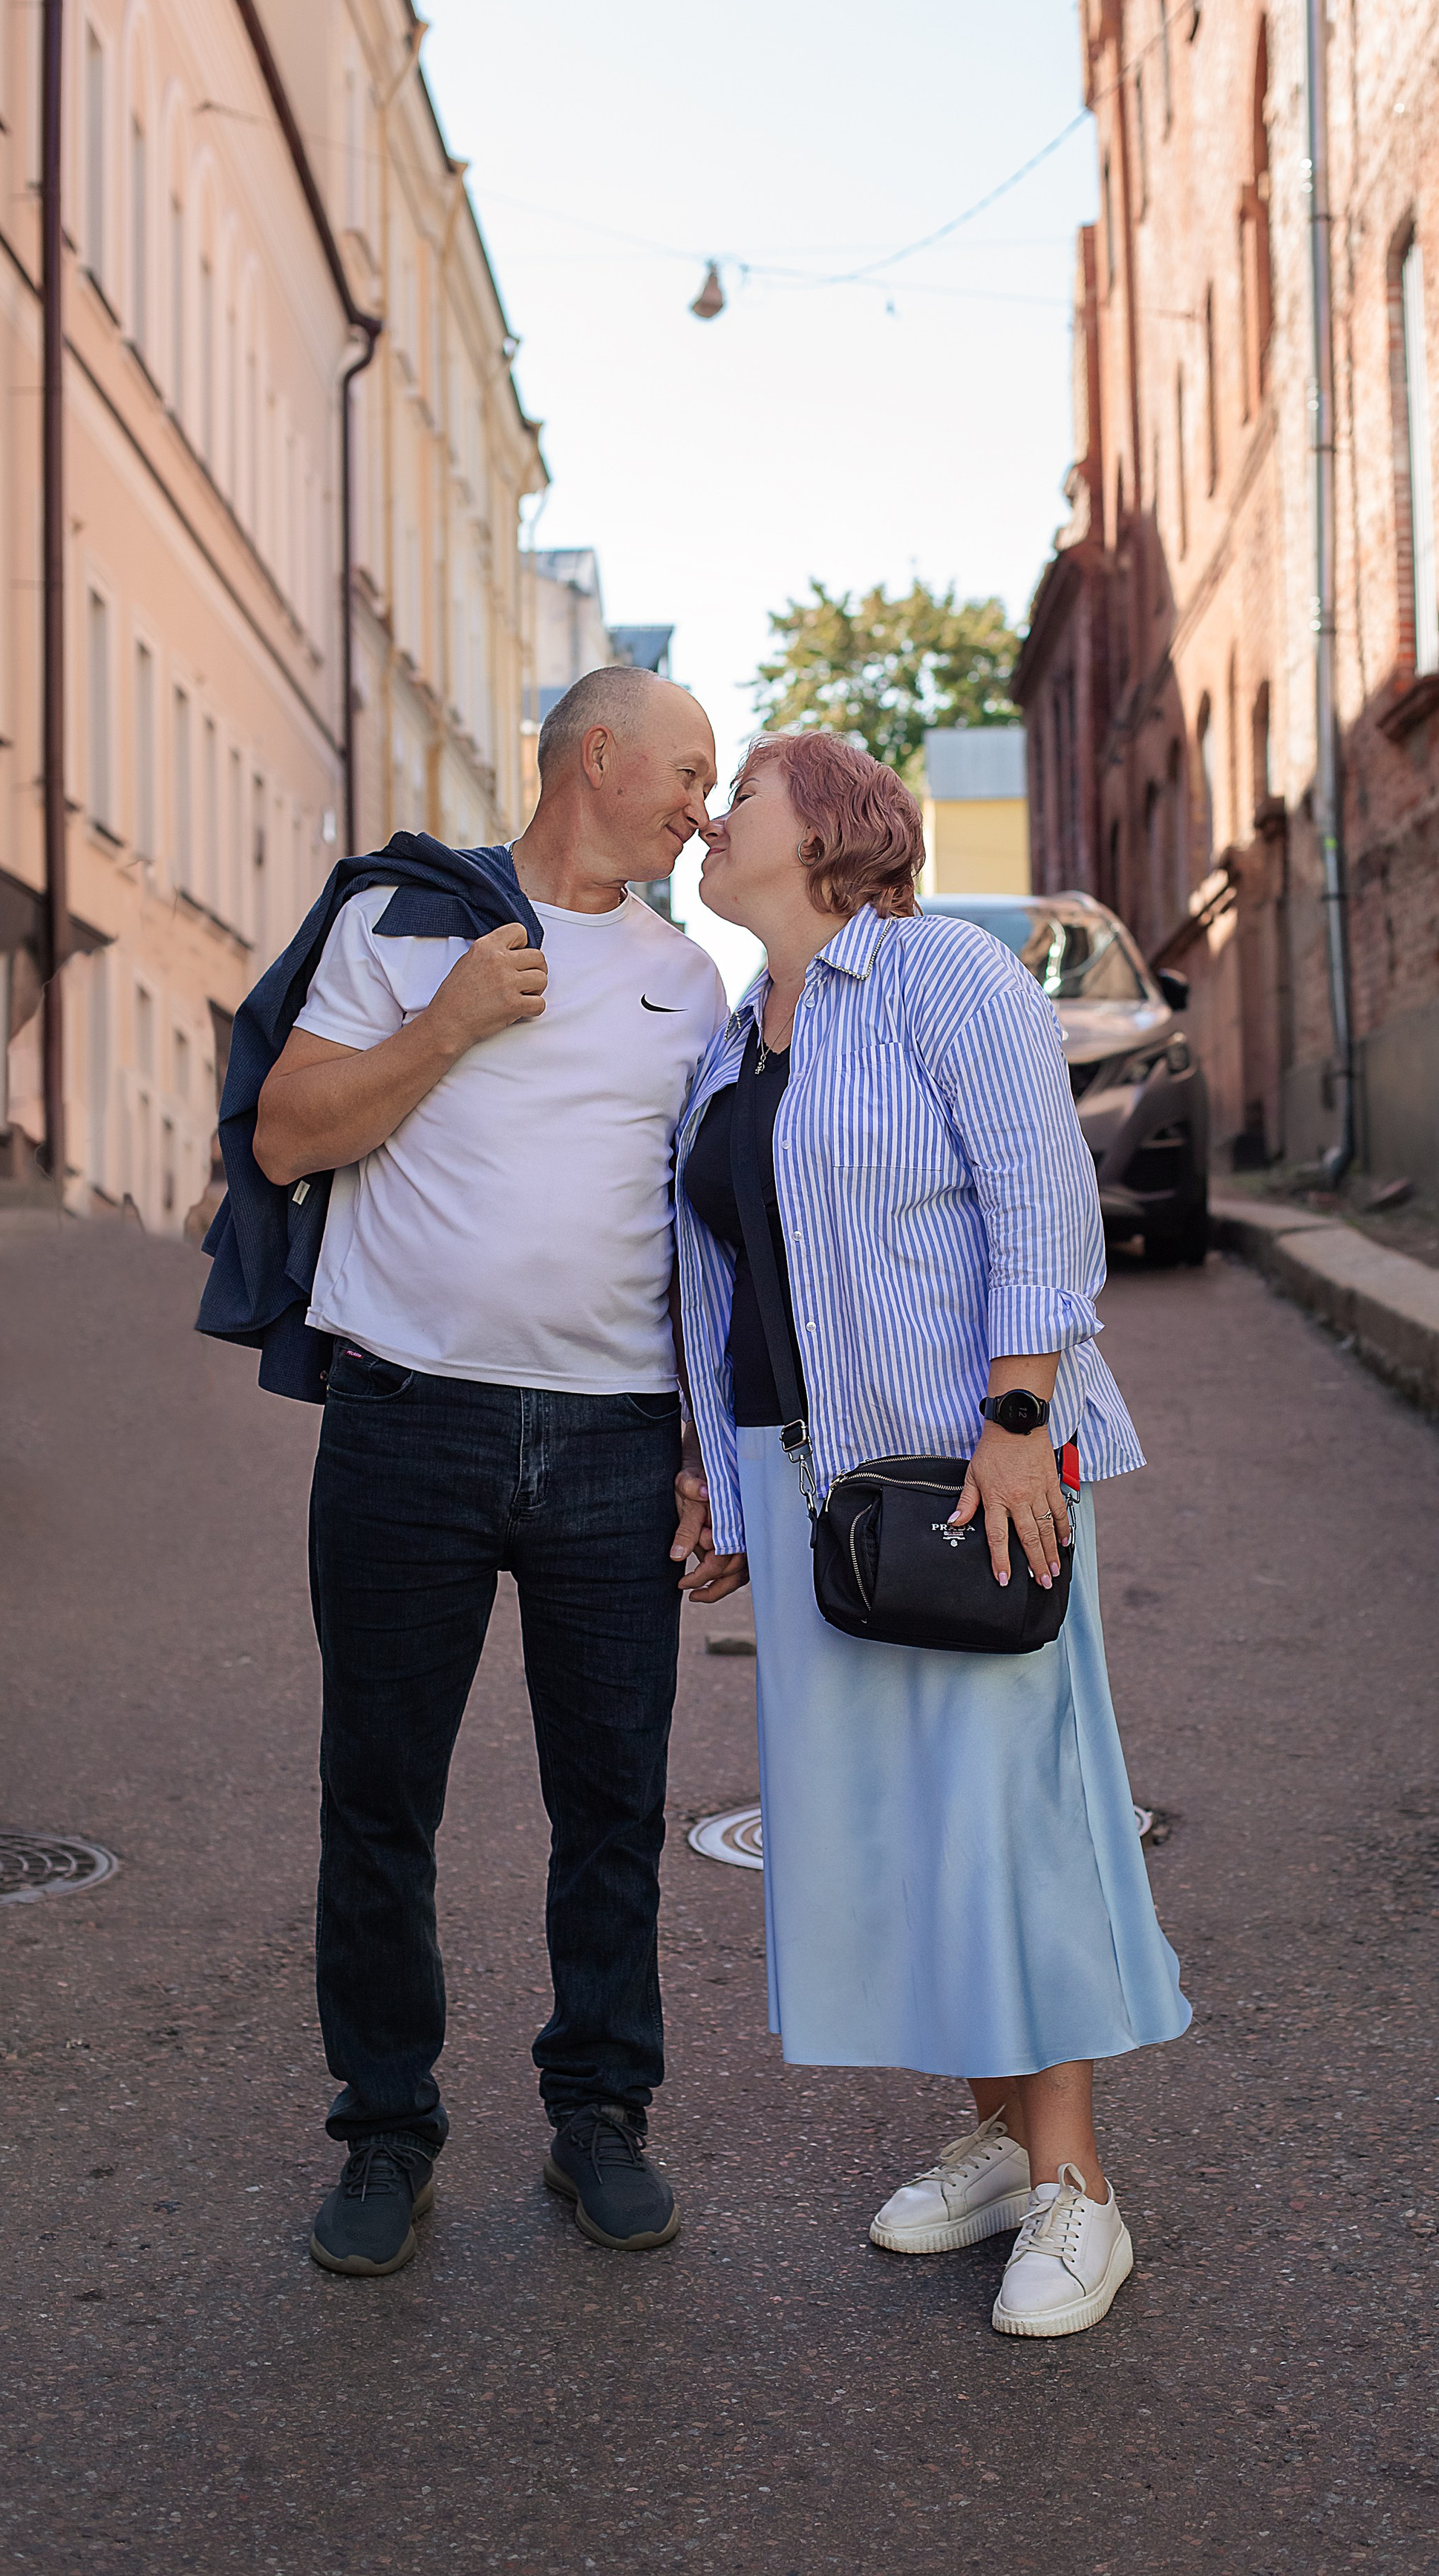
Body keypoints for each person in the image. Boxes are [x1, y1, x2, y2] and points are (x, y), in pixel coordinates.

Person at [673, 731, 1190, 2341]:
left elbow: (1040, 1197)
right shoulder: (733, 1041)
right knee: (899, 1826)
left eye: (738, 797)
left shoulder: (938, 977)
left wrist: (1020, 1418)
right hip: (806, 1488)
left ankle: (1078, 2188)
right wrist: (715, 1477)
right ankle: (1000, 2141)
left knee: (1005, 1815)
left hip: (964, 1471)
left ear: (828, 830)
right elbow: (726, 1277)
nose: (709, 820)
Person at [251, 668, 727, 2277]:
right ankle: (385, 2128)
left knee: (612, 1805)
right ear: (596, 757)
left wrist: (701, 1448)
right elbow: (288, 1134)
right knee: (379, 1795)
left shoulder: (687, 981)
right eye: (686, 774)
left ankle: (600, 2114)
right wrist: (448, 1022)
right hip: (409, 1423)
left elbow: (697, 1238)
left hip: (609, 1438)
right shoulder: (403, 922)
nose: (701, 812)